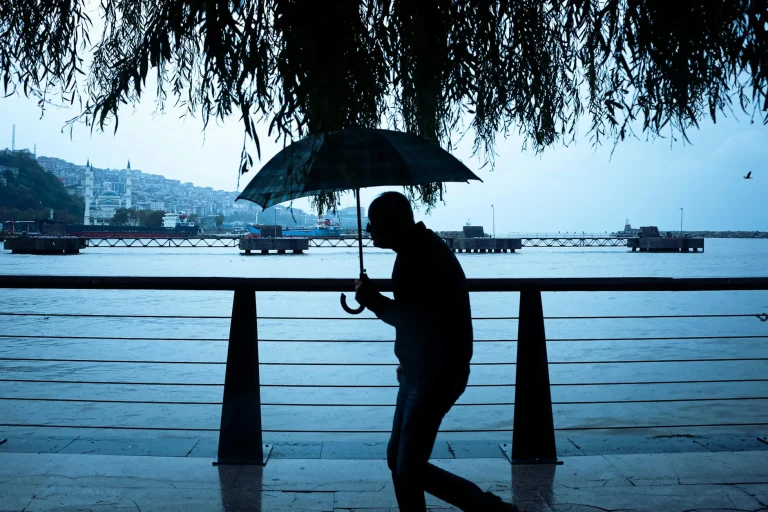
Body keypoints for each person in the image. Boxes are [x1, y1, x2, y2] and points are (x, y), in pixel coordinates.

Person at [355, 192, 517, 512]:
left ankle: (492, 510)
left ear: (392, 223)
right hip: (423, 369)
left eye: (372, 224)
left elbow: (413, 318)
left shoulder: (419, 256)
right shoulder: (418, 249)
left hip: (435, 374)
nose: (369, 231)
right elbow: (425, 317)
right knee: (399, 459)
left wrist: (372, 299)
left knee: (408, 464)